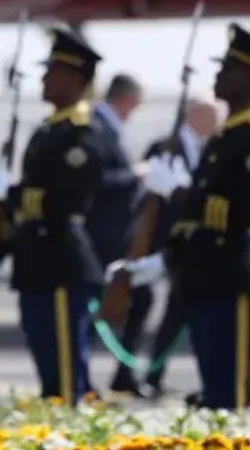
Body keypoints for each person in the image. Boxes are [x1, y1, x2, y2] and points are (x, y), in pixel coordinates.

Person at [159, 22, 250, 413]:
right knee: (216, 397)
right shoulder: (221, 139)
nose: (218, 75)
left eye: (228, 68)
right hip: (206, 275)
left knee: (235, 399)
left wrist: (183, 196)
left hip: (235, 274)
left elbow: (248, 209)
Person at [0, 25, 106, 402]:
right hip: (35, 260)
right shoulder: (47, 132)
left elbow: (66, 198)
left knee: (66, 376)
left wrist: (12, 196)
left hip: (62, 259)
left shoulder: (82, 134)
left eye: (53, 72)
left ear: (75, 79)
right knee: (49, 370)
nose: (44, 79)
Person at [138, 93, 219, 396]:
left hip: (191, 245)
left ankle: (155, 376)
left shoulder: (207, 148)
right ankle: (147, 375)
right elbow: (151, 200)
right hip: (165, 240)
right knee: (171, 311)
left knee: (182, 312)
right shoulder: (165, 145)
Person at [87, 73, 150, 394]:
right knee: (96, 307)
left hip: (114, 235)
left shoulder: (107, 127)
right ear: (126, 100)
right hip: (102, 235)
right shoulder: (98, 127)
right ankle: (82, 376)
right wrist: (135, 176)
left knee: (136, 298)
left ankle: (119, 374)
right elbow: (96, 179)